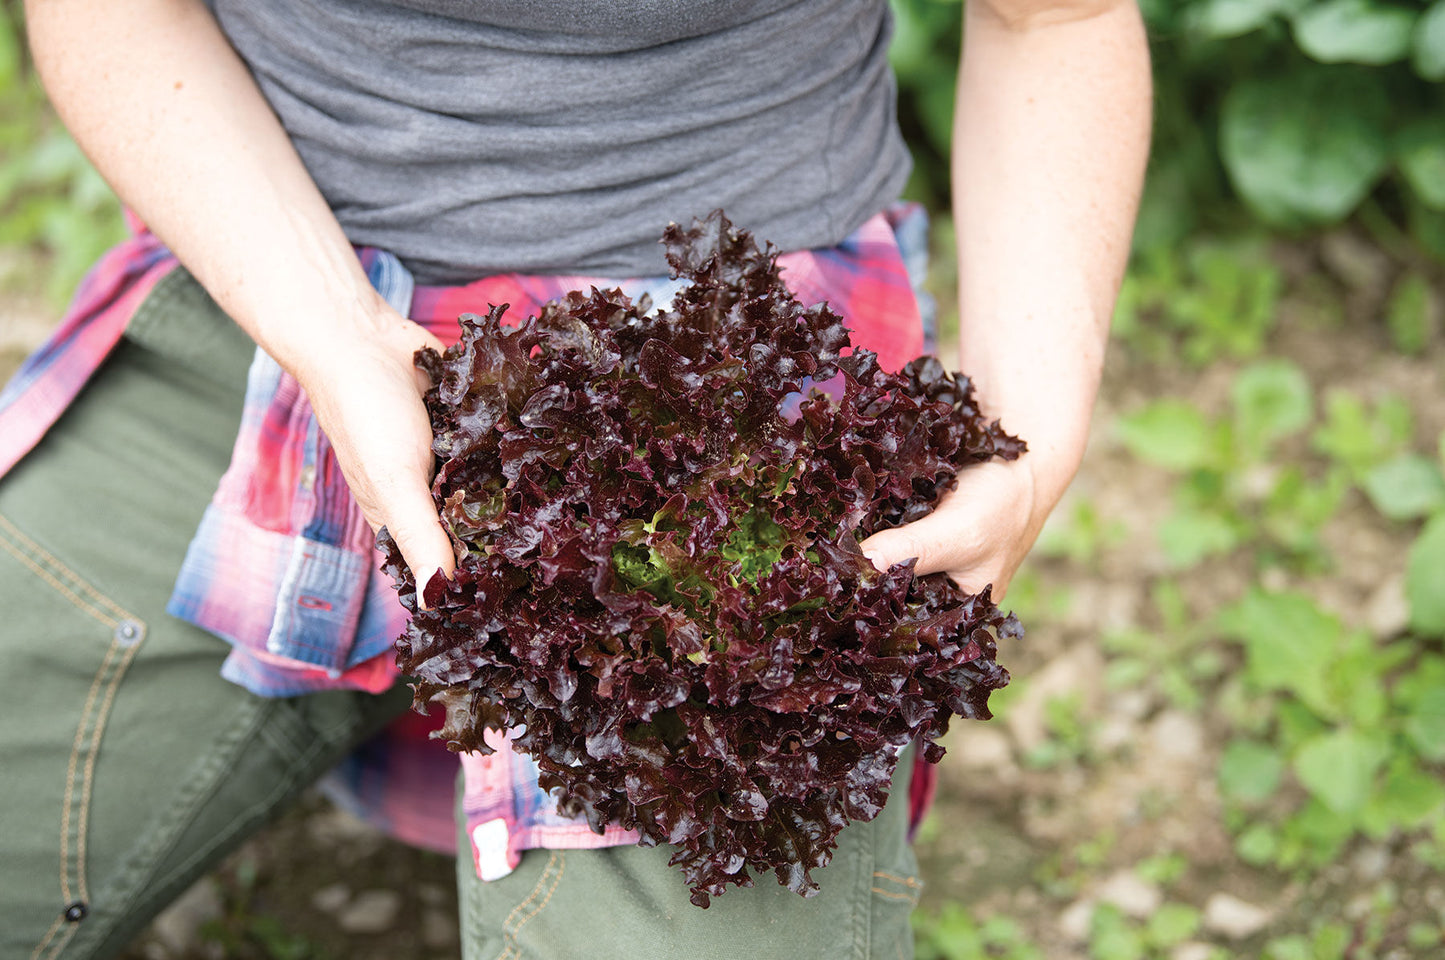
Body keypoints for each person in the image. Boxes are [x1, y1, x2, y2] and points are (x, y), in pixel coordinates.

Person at [0, 0, 1151, 957]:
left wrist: (1027, 445)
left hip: (737, 399)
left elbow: (1053, 17)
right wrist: (328, 331)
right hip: (280, 290)